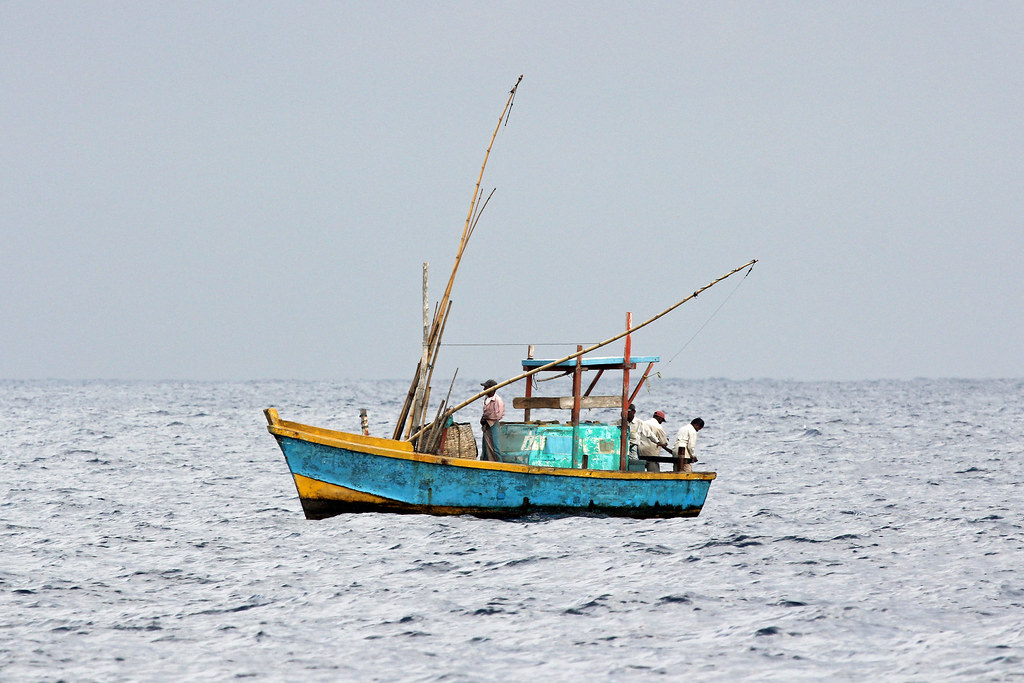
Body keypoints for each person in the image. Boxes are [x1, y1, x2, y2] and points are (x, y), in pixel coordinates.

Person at [479, 379, 505, 461]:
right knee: (485, 446)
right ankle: (485, 462)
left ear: (491, 388)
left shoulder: (497, 400)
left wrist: (488, 417)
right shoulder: (486, 398)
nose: (484, 390)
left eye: (486, 388)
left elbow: (499, 415)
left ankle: (499, 464)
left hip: (493, 424)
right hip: (486, 425)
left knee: (495, 446)